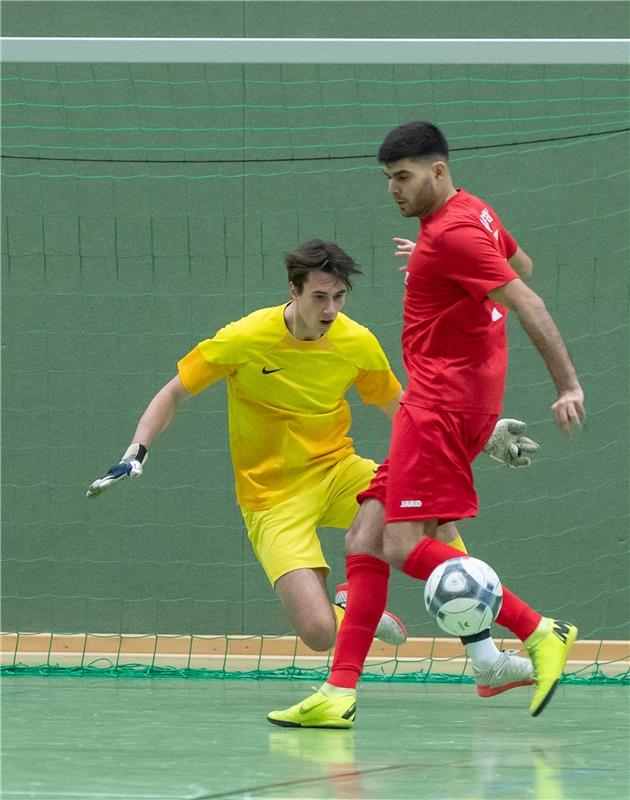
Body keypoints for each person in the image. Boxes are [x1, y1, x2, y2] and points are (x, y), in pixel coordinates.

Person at [267, 121, 584, 729]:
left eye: (404, 178)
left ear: (438, 171)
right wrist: (438, 262)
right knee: (364, 537)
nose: (394, 190)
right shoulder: (471, 216)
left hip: (441, 407)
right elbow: (524, 263)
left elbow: (529, 301)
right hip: (448, 405)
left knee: (400, 545)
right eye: (388, 179)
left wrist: (567, 385)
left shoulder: (456, 234)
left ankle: (540, 630)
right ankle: (338, 693)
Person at [87, 239, 538, 659]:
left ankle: (485, 654)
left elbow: (403, 409)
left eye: (339, 297)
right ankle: (350, 610)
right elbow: (173, 393)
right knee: (318, 634)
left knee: (436, 513)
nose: (330, 309)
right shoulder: (244, 338)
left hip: (338, 471)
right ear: (294, 291)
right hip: (271, 498)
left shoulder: (356, 342)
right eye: (320, 297)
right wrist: (136, 452)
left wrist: (481, 438)